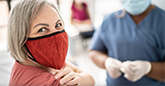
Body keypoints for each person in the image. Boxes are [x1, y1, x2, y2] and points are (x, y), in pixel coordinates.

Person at [8, 0, 95, 85]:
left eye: (58, 25)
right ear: (20, 37)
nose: (55, 35)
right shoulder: (51, 83)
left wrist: (77, 78)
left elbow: (90, 79)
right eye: (42, 29)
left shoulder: (37, 61)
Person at [89, 0, 165, 86]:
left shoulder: (162, 20)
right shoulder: (109, 20)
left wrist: (149, 68)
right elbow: (94, 51)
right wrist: (106, 62)